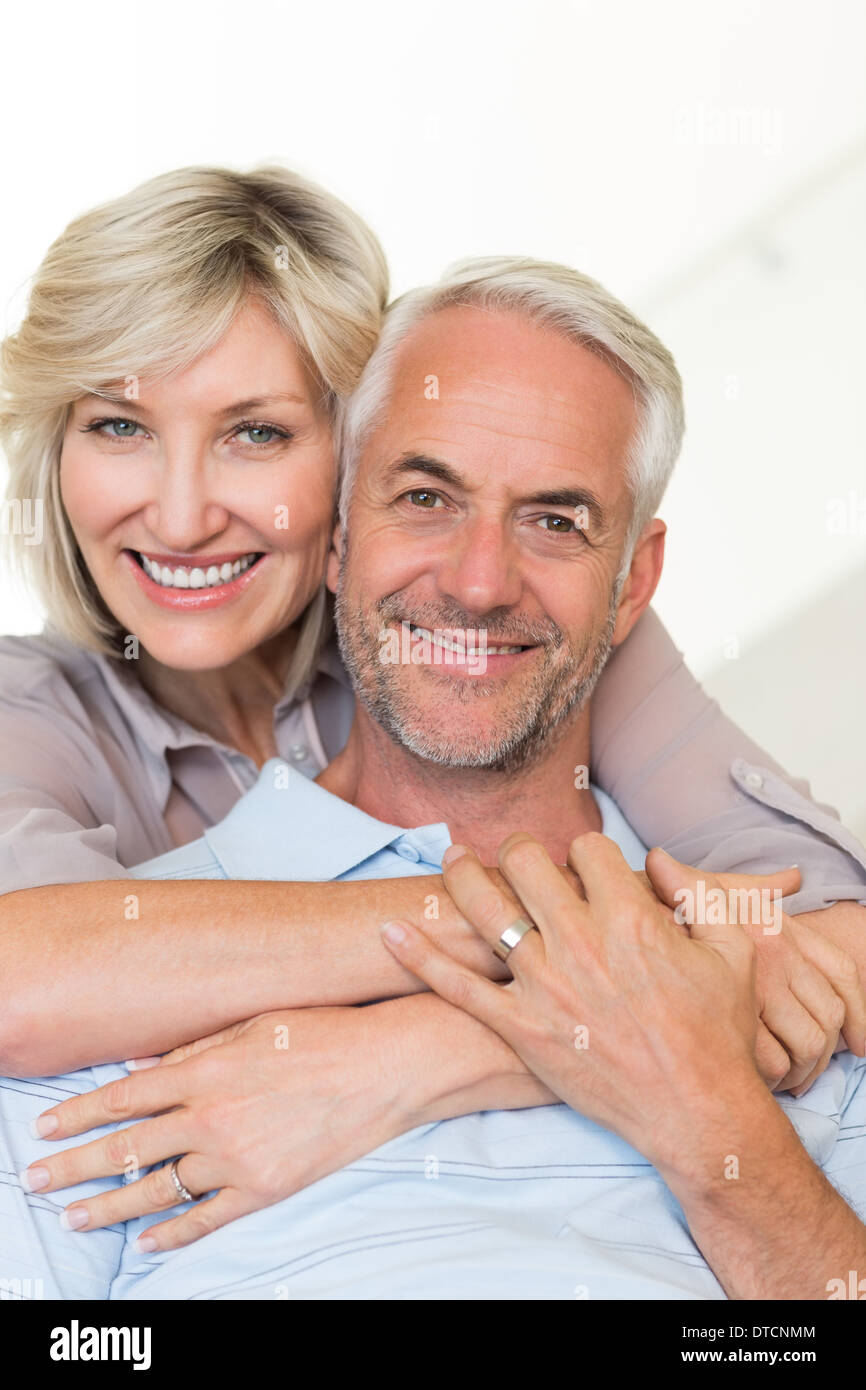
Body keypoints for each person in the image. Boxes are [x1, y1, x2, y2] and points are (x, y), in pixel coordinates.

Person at [7, 258, 866, 1301]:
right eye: (424, 498)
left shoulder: (791, 975)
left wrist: (692, 1088)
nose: (476, 580)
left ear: (631, 580)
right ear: (336, 537)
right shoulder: (114, 1004)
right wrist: (627, 958)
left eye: (554, 520)